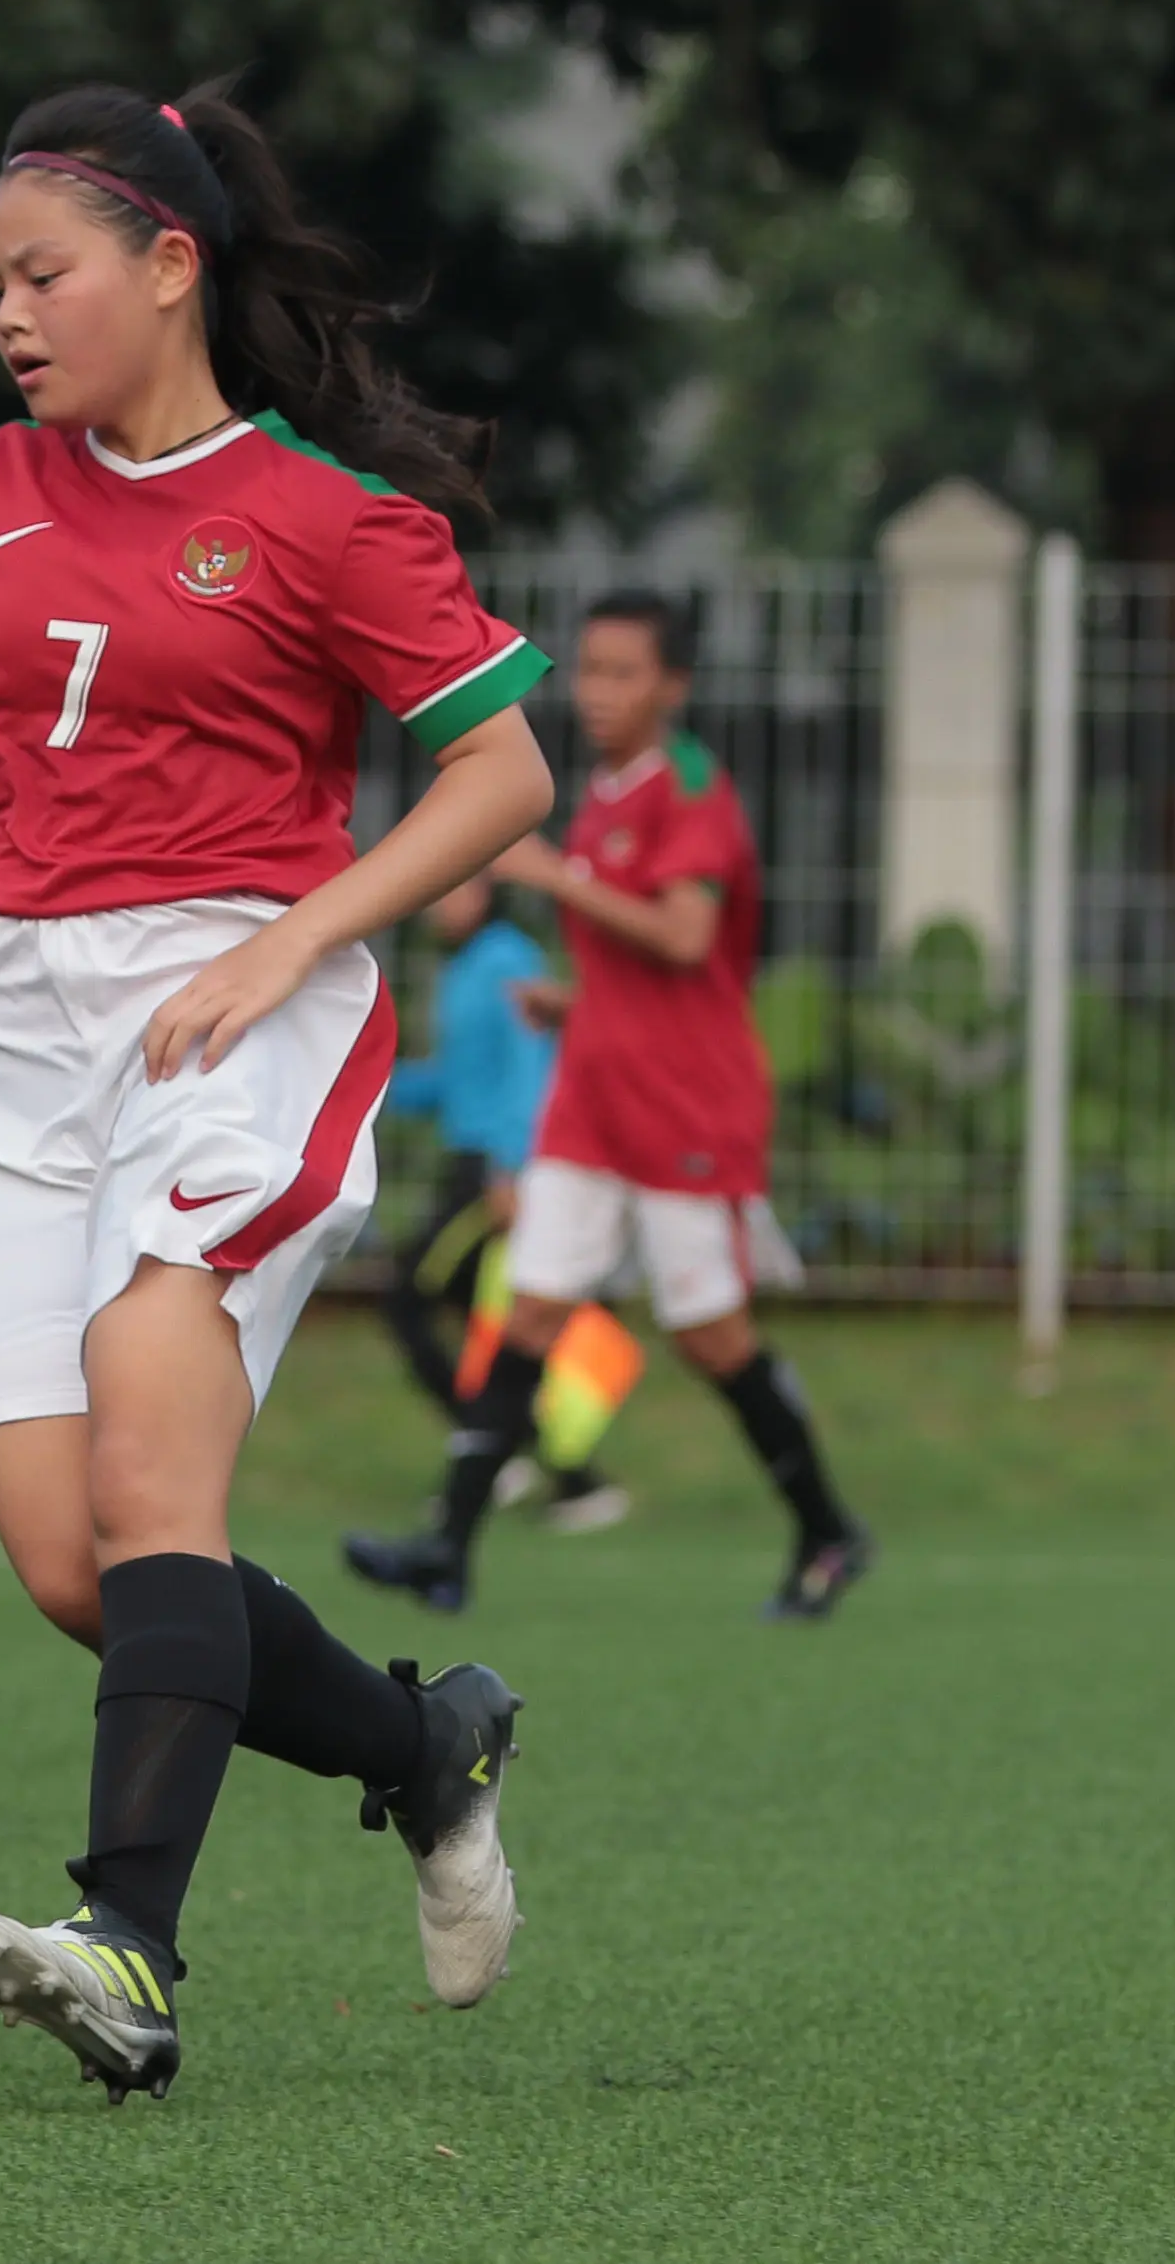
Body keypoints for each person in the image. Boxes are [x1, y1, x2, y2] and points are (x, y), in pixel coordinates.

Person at [0, 79, 555, 2103]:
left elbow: (504, 776)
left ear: (170, 267)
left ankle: (128, 1944)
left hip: (231, 1018)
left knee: (157, 1479)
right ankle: (421, 1747)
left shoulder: (322, 518)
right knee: (76, 1564)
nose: (8, 314)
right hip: (3, 1032)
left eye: (44, 273)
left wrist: (283, 939)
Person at [343, 591, 870, 1624]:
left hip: (683, 1110)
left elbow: (683, 941)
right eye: (586, 669)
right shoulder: (602, 792)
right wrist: (572, 999)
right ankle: (446, 1547)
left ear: (671, 685)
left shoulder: (689, 790)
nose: (594, 690)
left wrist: (546, 873)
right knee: (528, 1307)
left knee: (711, 1336)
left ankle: (825, 1529)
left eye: (622, 672)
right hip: (589, 1099)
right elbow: (652, 968)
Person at [378, 875, 646, 1534]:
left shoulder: (506, 959)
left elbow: (533, 1067)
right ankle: (570, 1481)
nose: (439, 898)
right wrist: (367, 1085)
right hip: (470, 1163)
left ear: (485, 895)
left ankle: (496, 1455)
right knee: (500, 1336)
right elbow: (454, 1079)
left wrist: (512, 1167)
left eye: (456, 888)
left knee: (407, 1300)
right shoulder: (465, 968)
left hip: (490, 1172)